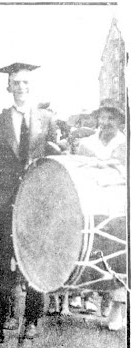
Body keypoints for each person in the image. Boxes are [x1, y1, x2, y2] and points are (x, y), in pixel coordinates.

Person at [0, 62, 58, 343]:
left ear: (31, 86)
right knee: (0, 264)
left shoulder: (47, 120)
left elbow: (56, 160)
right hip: (2, 203)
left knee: (34, 261)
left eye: (25, 82)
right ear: (8, 86)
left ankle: (32, 319)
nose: (21, 87)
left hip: (35, 201)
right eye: (16, 83)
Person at [74, 104, 127, 331]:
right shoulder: (87, 144)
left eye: (111, 119)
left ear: (120, 122)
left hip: (119, 209)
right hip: (92, 206)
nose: (106, 123)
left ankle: (118, 309)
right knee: (91, 253)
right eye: (102, 118)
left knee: (119, 259)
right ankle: (82, 295)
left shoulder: (126, 145)